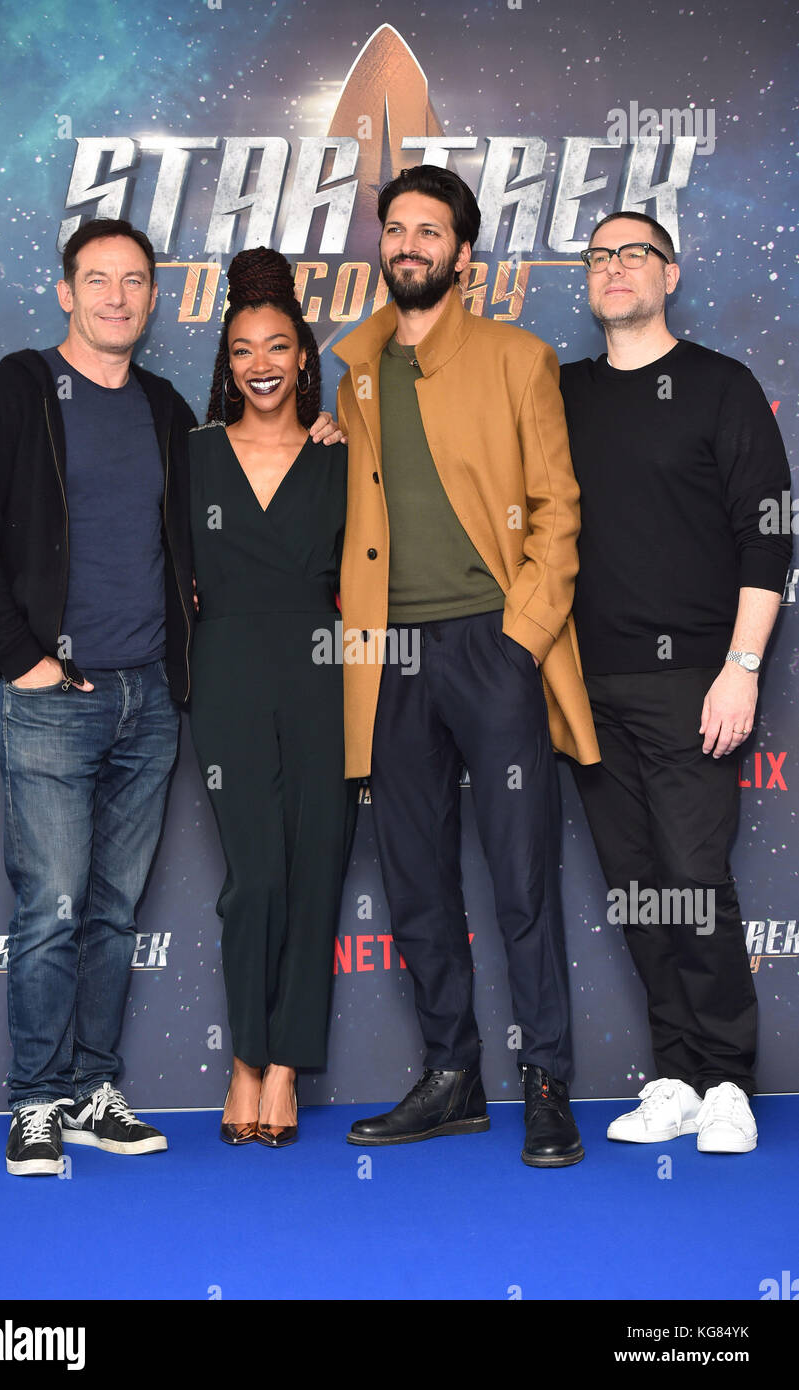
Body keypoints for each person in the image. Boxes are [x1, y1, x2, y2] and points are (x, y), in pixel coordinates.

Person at [333, 165, 600, 1166]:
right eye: (396, 228)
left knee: (521, 877)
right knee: (414, 879)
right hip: (389, 657)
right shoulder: (356, 371)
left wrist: (519, 637)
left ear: (462, 254)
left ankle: (546, 1082)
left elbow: (557, 511)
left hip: (492, 645)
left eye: (429, 230)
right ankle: (451, 1078)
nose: (409, 244)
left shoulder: (517, 359)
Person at [0, 218, 194, 1174]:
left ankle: (92, 1092)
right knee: (51, 908)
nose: (116, 297)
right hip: (53, 699)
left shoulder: (165, 408)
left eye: (133, 281)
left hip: (148, 699)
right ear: (65, 292)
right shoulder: (13, 391)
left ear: (153, 298)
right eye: (98, 279)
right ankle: (36, 1102)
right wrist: (22, 661)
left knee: (114, 912)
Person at [561, 211, 792, 1153]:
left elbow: (768, 535)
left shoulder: (718, 386)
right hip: (585, 687)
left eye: (634, 254)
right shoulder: (559, 392)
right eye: (599, 256)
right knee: (634, 888)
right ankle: (675, 1078)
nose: (614, 268)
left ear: (670, 274)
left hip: (695, 682)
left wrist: (741, 668)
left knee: (693, 879)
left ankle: (728, 1080)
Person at [189, 247, 356, 1147]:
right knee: (254, 877)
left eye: (277, 346)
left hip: (323, 673)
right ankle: (245, 1057)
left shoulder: (339, 455)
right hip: (225, 674)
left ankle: (286, 1067)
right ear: (228, 361)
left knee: (315, 865)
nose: (260, 363)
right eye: (243, 349)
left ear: (302, 357)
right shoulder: (192, 455)